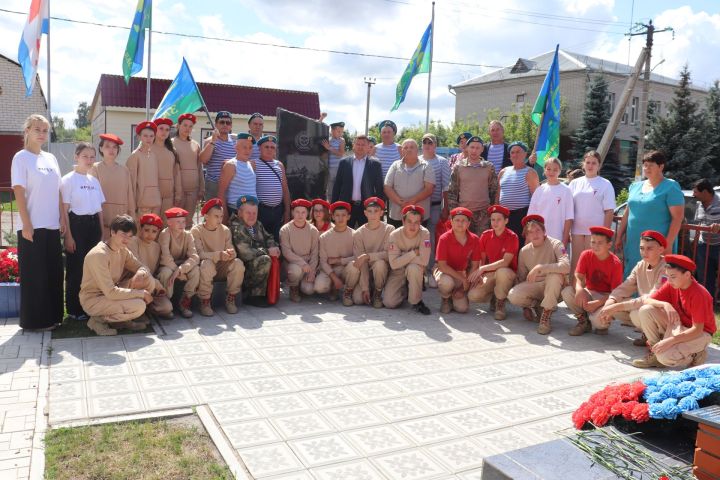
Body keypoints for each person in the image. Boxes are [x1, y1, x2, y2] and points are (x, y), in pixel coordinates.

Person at [11, 114, 64, 330]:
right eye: (37, 129)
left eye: (45, 130)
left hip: (52, 225)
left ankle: (53, 317)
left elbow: (58, 191)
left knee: (53, 273)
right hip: (32, 227)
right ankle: (35, 322)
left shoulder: (50, 158)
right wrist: (26, 224)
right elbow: (18, 192)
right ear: (27, 131)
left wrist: (62, 218)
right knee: (36, 276)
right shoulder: (21, 158)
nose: (42, 134)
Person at [631, 254, 716, 369]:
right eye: (668, 276)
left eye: (673, 276)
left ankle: (696, 354)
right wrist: (665, 304)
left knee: (665, 357)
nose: (669, 281)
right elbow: (647, 300)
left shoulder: (699, 294)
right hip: (679, 325)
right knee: (646, 310)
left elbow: (697, 330)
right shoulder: (672, 284)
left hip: (700, 333)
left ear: (687, 275)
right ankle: (655, 351)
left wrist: (670, 341)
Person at [80, 215, 154, 335]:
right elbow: (110, 292)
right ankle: (97, 320)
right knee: (139, 306)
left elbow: (143, 267)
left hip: (111, 294)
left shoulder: (122, 250)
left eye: (130, 236)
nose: (126, 239)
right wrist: (140, 294)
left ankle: (121, 321)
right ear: (112, 232)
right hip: (94, 299)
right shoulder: (99, 255)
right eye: (123, 234)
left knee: (148, 280)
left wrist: (141, 273)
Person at [616, 150, 684, 278]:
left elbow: (677, 218)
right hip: (634, 242)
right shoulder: (635, 186)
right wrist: (619, 235)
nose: (647, 168)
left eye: (651, 165)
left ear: (661, 166)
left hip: (657, 245)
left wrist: (667, 244)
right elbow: (628, 212)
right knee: (632, 274)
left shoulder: (671, 186)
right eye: (645, 165)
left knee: (655, 277)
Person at [598, 230, 668, 346]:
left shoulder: (666, 268)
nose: (644, 252)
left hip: (664, 313)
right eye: (642, 248)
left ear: (661, 250)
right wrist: (609, 304)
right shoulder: (641, 264)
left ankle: (656, 344)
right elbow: (625, 287)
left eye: (649, 248)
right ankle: (648, 334)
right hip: (646, 307)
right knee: (616, 305)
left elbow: (652, 297)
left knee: (637, 313)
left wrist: (615, 306)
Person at [61, 142, 105, 320]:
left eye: (92, 157)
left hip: (94, 226)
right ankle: (74, 309)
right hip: (76, 226)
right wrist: (68, 236)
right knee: (76, 268)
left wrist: (103, 232)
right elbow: (64, 211)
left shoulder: (94, 181)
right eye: (85, 156)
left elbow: (99, 209)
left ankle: (90, 306)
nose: (89, 160)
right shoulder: (68, 180)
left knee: (93, 268)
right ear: (76, 157)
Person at [507, 215, 570, 335]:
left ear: (544, 231)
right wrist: (525, 307)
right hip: (536, 286)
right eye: (530, 232)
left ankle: (546, 315)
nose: (535, 234)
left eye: (538, 230)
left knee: (554, 276)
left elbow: (566, 266)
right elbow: (521, 277)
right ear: (526, 235)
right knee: (513, 295)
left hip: (554, 286)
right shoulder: (524, 251)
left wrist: (541, 268)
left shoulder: (556, 244)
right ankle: (537, 306)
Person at [561, 226, 623, 336]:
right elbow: (578, 276)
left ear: (609, 245)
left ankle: (600, 322)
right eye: (593, 242)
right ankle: (583, 321)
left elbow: (616, 294)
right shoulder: (586, 254)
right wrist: (579, 289)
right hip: (590, 291)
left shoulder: (616, 263)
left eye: (600, 243)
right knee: (567, 292)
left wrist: (598, 303)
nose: (595, 246)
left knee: (599, 324)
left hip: (606, 296)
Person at [192, 198, 245, 316]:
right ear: (206, 216)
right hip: (206, 267)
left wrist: (230, 254)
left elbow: (232, 250)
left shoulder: (225, 230)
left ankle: (231, 298)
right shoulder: (196, 231)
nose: (220, 220)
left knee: (238, 264)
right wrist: (219, 255)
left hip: (221, 267)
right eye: (216, 216)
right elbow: (199, 254)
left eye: (221, 216)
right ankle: (205, 301)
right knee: (206, 264)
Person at [468, 205, 519, 320]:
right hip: (490, 273)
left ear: (506, 221)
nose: (495, 222)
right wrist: (480, 273)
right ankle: (494, 297)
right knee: (473, 295)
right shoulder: (485, 235)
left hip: (508, 274)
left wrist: (483, 268)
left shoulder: (512, 237)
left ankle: (500, 303)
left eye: (499, 219)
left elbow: (505, 262)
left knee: (502, 271)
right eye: (493, 219)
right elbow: (482, 258)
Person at [568, 151, 616, 273]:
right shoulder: (574, 183)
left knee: (592, 264)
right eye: (588, 162)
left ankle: (590, 291)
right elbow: (568, 208)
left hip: (596, 233)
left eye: (594, 163)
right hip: (576, 231)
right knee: (576, 265)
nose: (590, 165)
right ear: (583, 164)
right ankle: (574, 290)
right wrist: (567, 229)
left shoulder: (605, 184)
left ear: (599, 165)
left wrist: (605, 234)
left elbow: (609, 211)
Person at [230, 195, 281, 307]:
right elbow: (245, 254)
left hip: (253, 265)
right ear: (239, 213)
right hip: (242, 268)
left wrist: (274, 247)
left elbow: (269, 237)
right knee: (264, 259)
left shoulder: (257, 225)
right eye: (248, 213)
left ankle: (265, 292)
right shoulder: (237, 227)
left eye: (254, 213)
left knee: (269, 257)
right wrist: (268, 251)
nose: (252, 216)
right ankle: (252, 296)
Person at [384, 205, 432, 314]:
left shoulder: (425, 233)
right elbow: (394, 264)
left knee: (413, 268)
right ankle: (406, 289)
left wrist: (402, 256)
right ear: (403, 221)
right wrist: (414, 253)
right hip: (398, 270)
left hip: (414, 268)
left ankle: (417, 301)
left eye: (416, 222)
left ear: (420, 223)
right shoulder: (394, 235)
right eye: (409, 221)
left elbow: (424, 261)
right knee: (389, 303)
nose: (413, 225)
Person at [347, 197, 394, 307]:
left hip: (382, 271)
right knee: (358, 300)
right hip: (366, 271)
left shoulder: (389, 229)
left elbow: (389, 254)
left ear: (382, 213)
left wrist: (367, 256)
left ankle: (378, 292)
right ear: (365, 213)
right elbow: (361, 261)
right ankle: (369, 290)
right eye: (370, 211)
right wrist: (365, 288)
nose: (373, 215)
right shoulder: (359, 233)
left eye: (376, 211)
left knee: (380, 264)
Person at [447, 136, 498, 235]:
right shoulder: (458, 167)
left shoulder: (489, 167)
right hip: (464, 213)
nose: (474, 150)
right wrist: (453, 212)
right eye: (472, 147)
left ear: (482, 149)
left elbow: (493, 190)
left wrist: (491, 210)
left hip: (483, 214)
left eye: (477, 148)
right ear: (467, 148)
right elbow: (453, 191)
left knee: (481, 244)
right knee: (464, 243)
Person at [435, 207, 482, 314]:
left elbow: (475, 265)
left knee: (462, 309)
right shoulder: (444, 238)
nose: (460, 223)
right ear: (451, 222)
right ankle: (446, 298)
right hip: (445, 272)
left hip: (463, 273)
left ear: (469, 223)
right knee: (446, 283)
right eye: (457, 220)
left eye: (463, 220)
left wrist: (463, 287)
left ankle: (455, 295)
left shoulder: (474, 239)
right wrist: (462, 279)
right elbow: (442, 266)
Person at [331, 134, 384, 228]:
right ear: (353, 145)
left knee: (366, 236)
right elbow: (337, 185)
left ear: (368, 147)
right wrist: (333, 206)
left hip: (367, 207)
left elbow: (379, 188)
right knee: (345, 235)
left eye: (363, 144)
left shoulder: (376, 164)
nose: (360, 147)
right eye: (358, 144)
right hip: (346, 206)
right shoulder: (344, 162)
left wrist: (380, 208)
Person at [128, 213, 174, 319]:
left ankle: (147, 309)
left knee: (167, 308)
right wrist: (157, 284)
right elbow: (137, 266)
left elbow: (156, 268)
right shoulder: (133, 242)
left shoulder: (157, 247)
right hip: (136, 283)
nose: (150, 234)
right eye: (146, 230)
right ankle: (139, 310)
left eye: (154, 231)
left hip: (151, 285)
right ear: (140, 229)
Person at [157, 207, 200, 318]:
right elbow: (166, 258)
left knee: (196, 270)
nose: (182, 225)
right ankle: (167, 302)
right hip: (167, 265)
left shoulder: (188, 235)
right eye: (178, 222)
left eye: (183, 222)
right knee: (166, 273)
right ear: (169, 223)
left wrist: (181, 270)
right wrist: (178, 271)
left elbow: (195, 257)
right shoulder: (165, 234)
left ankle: (184, 302)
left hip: (181, 266)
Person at [90, 133, 135, 240]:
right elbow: (92, 195)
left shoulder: (124, 170)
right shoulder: (94, 168)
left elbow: (130, 195)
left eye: (115, 147)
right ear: (101, 148)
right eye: (107, 146)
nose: (111, 150)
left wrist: (132, 214)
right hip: (102, 217)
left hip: (121, 217)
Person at [420, 133, 451, 285]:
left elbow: (446, 187)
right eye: (424, 142)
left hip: (434, 206)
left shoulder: (442, 162)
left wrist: (446, 208)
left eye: (430, 143)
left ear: (435, 145)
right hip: (418, 206)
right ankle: (419, 271)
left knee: (430, 239)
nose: (427, 145)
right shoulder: (417, 160)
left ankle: (430, 270)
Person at [315, 201, 359, 306]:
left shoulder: (355, 235)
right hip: (330, 270)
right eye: (337, 215)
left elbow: (358, 256)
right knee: (319, 287)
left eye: (344, 215)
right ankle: (333, 288)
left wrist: (339, 260)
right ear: (332, 217)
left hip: (346, 269)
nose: (341, 218)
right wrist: (334, 278)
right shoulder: (324, 237)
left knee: (354, 265)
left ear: (348, 217)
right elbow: (323, 261)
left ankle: (348, 291)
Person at [384, 139, 435, 228]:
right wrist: (401, 203)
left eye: (412, 147)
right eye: (406, 147)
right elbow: (387, 187)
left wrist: (411, 202)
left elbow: (429, 189)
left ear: (417, 150)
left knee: (418, 240)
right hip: (397, 214)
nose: (409, 149)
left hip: (418, 215)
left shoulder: (426, 166)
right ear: (402, 150)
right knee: (396, 240)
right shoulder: (395, 165)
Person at [497, 142, 540, 240]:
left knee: (520, 245)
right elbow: (498, 194)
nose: (515, 155)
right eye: (512, 152)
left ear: (525, 154)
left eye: (518, 152)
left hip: (522, 216)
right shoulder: (503, 172)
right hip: (504, 216)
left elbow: (536, 198)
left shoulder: (530, 172)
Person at [279, 199, 319, 302]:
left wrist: (312, 271)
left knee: (308, 290)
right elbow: (286, 252)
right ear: (292, 212)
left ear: (308, 213)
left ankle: (301, 285)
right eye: (297, 212)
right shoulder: (285, 230)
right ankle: (293, 288)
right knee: (295, 271)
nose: (300, 215)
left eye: (303, 212)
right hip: (293, 263)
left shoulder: (313, 230)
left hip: (308, 264)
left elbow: (315, 252)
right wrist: (302, 263)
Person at [528, 157, 573, 247]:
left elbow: (569, 218)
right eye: (548, 169)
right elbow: (531, 217)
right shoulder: (539, 190)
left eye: (555, 169)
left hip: (558, 238)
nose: (551, 172)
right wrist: (530, 237)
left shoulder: (566, 190)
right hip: (540, 237)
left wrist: (564, 240)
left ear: (560, 171)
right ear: (544, 170)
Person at [255, 135, 291, 242]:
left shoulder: (279, 165)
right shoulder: (253, 164)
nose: (270, 149)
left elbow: (285, 189)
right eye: (266, 147)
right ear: (260, 148)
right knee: (261, 241)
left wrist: (287, 212)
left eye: (272, 147)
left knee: (277, 241)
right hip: (261, 211)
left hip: (277, 211)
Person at [173, 113, 204, 227]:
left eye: (190, 126)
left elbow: (199, 167)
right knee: (177, 220)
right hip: (178, 191)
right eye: (185, 125)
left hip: (193, 191)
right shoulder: (171, 144)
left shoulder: (195, 145)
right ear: (178, 126)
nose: (187, 128)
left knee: (188, 221)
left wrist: (202, 188)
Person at [218, 133, 257, 223]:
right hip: (236, 211)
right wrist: (225, 216)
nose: (248, 150)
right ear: (236, 148)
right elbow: (221, 192)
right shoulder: (231, 165)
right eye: (244, 147)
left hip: (252, 212)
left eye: (250, 147)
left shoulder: (252, 165)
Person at [126, 121, 162, 216]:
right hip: (141, 204)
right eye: (145, 136)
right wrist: (132, 206)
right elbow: (131, 183)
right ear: (139, 137)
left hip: (155, 202)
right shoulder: (135, 156)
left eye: (151, 136)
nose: (149, 139)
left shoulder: (154, 155)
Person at [692, 178, 720, 298]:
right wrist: (695, 241)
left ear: (705, 192)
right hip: (703, 246)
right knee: (704, 276)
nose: (693, 195)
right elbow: (699, 223)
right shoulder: (699, 204)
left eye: (696, 192)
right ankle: (708, 301)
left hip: (718, 246)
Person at [199, 111, 236, 200]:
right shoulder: (209, 141)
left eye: (228, 123)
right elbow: (203, 160)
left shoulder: (235, 141)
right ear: (216, 124)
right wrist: (213, 141)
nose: (225, 125)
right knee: (213, 212)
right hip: (214, 184)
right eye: (222, 122)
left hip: (231, 184)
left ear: (231, 126)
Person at [154, 118, 183, 221]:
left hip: (168, 196)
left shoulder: (172, 151)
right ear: (155, 130)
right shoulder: (147, 149)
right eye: (161, 128)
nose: (164, 132)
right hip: (152, 196)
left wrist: (178, 195)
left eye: (167, 129)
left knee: (166, 225)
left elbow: (176, 174)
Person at [322, 121, 346, 199]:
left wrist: (329, 148)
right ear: (332, 130)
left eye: (342, 132)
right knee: (330, 190)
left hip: (338, 168)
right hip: (329, 168)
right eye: (338, 131)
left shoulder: (341, 140)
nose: (340, 133)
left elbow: (341, 153)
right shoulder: (328, 140)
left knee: (339, 188)